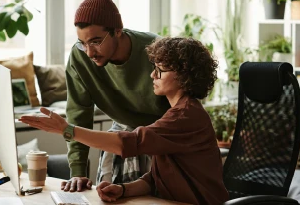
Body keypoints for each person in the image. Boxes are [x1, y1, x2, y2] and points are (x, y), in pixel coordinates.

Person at [20, 37, 228, 204]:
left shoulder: (185, 116)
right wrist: (122, 189)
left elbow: (127, 143)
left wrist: (67, 130)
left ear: (184, 76)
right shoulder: (176, 112)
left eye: (160, 70)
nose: (152, 75)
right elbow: (156, 179)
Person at [62, 0, 171, 192]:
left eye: (95, 42)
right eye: (82, 43)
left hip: (162, 139)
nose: (89, 52)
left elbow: (183, 110)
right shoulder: (80, 57)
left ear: (117, 31)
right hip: (121, 133)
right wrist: (78, 171)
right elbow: (78, 113)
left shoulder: (157, 50)